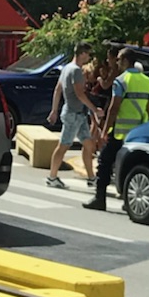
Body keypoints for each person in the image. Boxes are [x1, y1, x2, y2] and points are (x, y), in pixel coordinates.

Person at [83, 46, 149, 211]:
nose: (117, 62)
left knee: (105, 162)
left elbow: (114, 108)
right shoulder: (147, 81)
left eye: (119, 59)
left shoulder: (121, 81)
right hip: (138, 132)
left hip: (119, 131)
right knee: (130, 165)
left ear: (125, 61)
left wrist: (104, 130)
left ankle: (99, 198)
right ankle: (127, 202)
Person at [46, 41, 100, 188]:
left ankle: (91, 177)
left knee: (88, 145)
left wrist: (54, 110)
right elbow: (80, 94)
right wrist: (95, 110)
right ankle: (52, 177)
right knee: (63, 145)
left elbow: (58, 90)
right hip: (73, 114)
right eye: (88, 54)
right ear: (82, 54)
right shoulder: (76, 71)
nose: (89, 57)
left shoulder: (66, 69)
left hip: (78, 114)